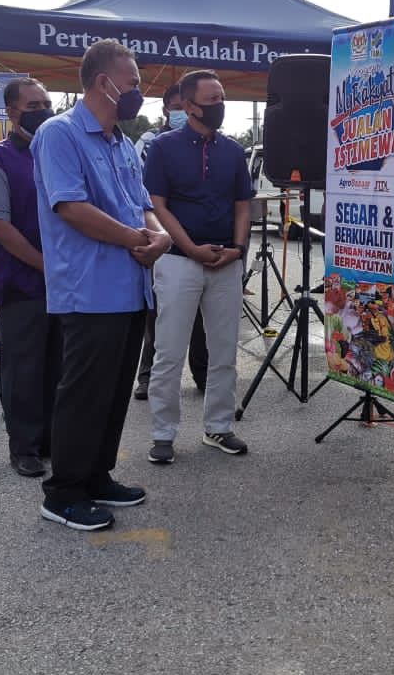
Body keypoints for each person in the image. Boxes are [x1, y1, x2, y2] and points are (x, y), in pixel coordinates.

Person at [32, 39, 171, 530]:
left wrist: (159, 233)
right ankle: (63, 490)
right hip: (89, 288)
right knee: (84, 391)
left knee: (112, 391)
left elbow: (141, 203)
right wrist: (141, 236)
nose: (137, 93)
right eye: (132, 83)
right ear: (102, 83)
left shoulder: (121, 143)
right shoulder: (60, 134)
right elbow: (71, 208)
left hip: (130, 286)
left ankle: (96, 475)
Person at [143, 69, 252, 465]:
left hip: (225, 261)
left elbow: (243, 204)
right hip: (177, 262)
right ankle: (162, 433)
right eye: (211, 99)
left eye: (222, 98)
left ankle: (219, 427)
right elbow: (157, 203)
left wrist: (238, 249)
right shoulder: (163, 147)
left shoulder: (233, 150)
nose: (219, 106)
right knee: (169, 352)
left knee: (224, 351)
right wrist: (188, 247)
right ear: (188, 105)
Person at [0, 77, 62, 478]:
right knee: (23, 368)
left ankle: (51, 440)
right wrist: (45, 264)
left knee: (58, 366)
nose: (43, 110)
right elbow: (0, 226)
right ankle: (23, 446)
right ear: (11, 112)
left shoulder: (60, 152)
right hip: (23, 282)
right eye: (33, 105)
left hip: (66, 282)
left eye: (46, 102)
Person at [134, 82, 207, 400]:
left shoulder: (209, 142)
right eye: (178, 107)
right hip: (163, 238)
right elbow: (138, 192)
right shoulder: (150, 142)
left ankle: (203, 375)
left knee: (201, 317)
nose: (184, 112)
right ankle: (148, 378)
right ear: (166, 109)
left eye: (188, 106)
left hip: (200, 238)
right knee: (159, 315)